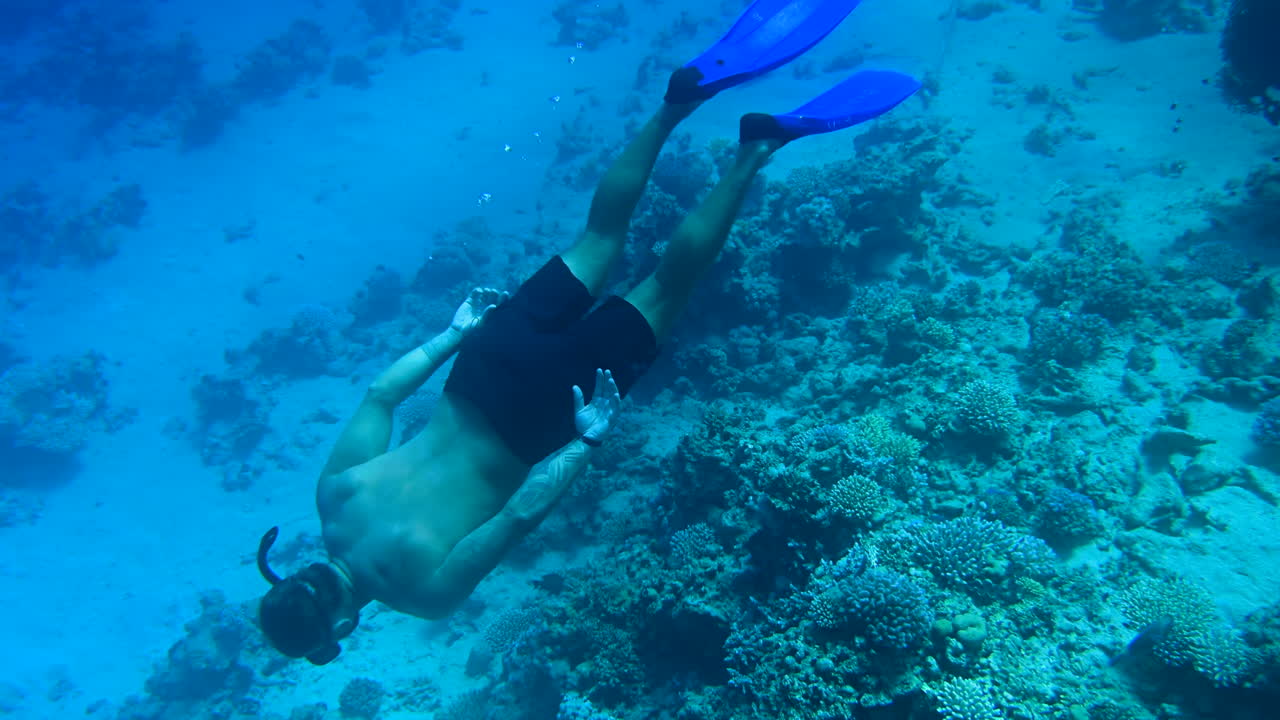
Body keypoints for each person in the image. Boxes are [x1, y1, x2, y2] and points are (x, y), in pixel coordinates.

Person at [255, 0, 919, 665]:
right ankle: (674, 106)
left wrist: (588, 441)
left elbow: (519, 516)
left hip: (543, 413)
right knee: (599, 236)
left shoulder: (422, 594)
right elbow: (378, 396)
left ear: (338, 630)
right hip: (485, 361)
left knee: (665, 285)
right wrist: (455, 333)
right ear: (298, 572)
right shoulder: (333, 498)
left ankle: (755, 150)